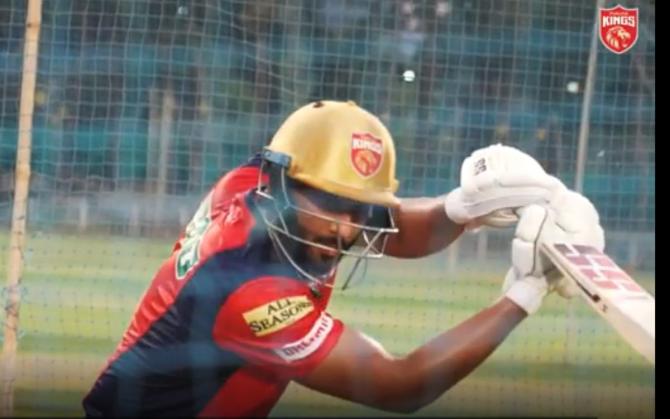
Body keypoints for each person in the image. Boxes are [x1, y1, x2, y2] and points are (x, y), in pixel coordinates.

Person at [82, 100, 603, 416]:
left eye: (357, 207)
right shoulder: (245, 290)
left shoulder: (259, 185)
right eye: (329, 204)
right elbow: (401, 386)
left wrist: (461, 206)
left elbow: (392, 229)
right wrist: (524, 291)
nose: (343, 227)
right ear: (283, 185)